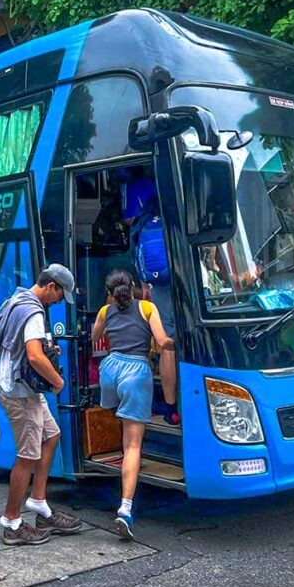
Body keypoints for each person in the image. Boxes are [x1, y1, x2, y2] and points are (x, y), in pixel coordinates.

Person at [0, 263, 83, 545]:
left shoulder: (16, 298)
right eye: (58, 295)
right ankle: (12, 523)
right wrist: (58, 381)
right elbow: (34, 356)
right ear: (51, 286)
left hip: (21, 387)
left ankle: (39, 504)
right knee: (27, 455)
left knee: (51, 436)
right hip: (19, 392)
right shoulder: (33, 312)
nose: (57, 301)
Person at [90, 269, 174, 540]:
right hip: (135, 372)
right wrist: (180, 341)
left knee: (123, 421)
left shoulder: (105, 310)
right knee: (133, 445)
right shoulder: (148, 307)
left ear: (110, 291)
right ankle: (125, 509)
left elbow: (94, 338)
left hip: (110, 372)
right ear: (135, 287)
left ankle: (128, 462)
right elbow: (162, 342)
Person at [124, 171, 180, 426]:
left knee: (167, 343)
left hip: (158, 283)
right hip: (184, 281)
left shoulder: (140, 209)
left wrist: (145, 283)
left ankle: (171, 407)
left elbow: (132, 235)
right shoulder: (178, 202)